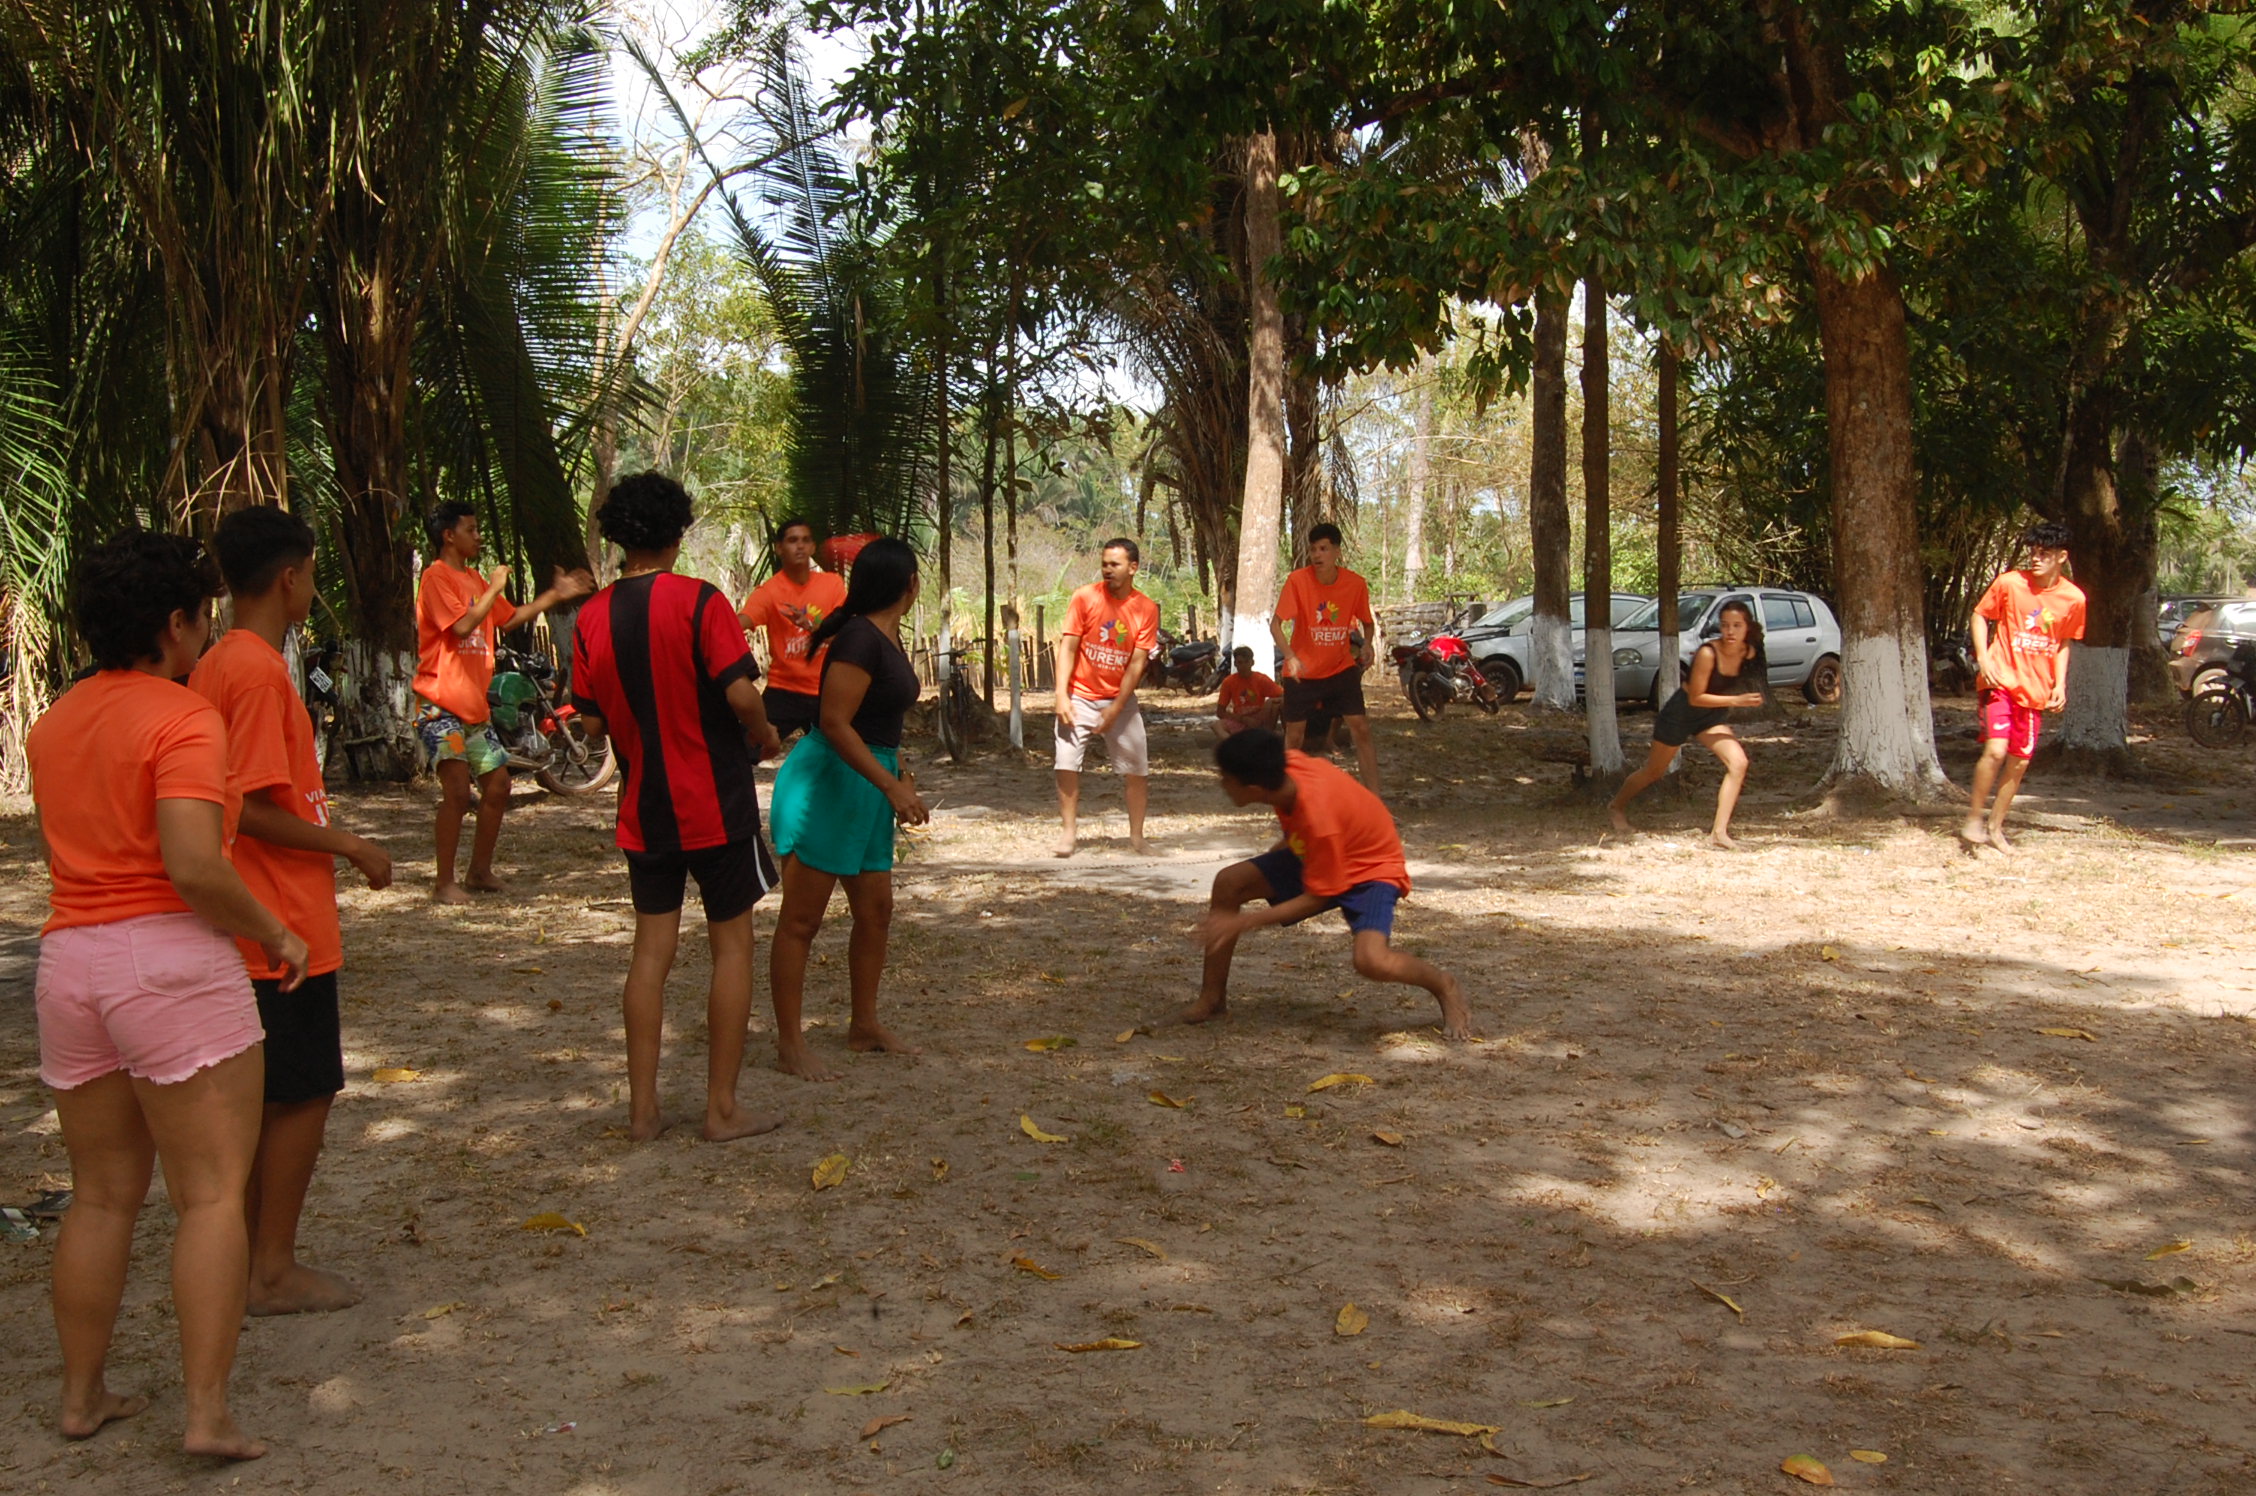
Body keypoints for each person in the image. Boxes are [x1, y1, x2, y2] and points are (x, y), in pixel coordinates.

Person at [28, 531, 312, 1461]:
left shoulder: (55, 721)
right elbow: (193, 864)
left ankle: (82, 1396)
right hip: (168, 963)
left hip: (71, 964)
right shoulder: (183, 718)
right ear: (176, 622)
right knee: (212, 1195)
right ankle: (206, 1414)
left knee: (101, 1197)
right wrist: (273, 931)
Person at [191, 507, 393, 1317]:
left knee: (270, 1094)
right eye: (310, 573)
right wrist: (350, 844)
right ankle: (270, 1268)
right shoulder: (252, 670)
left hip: (260, 918)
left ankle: (251, 1260)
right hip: (277, 919)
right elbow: (245, 807)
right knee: (302, 1093)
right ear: (290, 576)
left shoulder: (221, 663)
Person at [570, 473, 788, 1142]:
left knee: (650, 954)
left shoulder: (592, 616)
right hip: (713, 801)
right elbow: (742, 694)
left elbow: (592, 723)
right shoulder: (700, 601)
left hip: (644, 809)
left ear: (618, 536)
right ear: (676, 532)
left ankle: (643, 1113)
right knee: (732, 947)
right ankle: (721, 1109)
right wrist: (765, 734)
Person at [1182, 728, 1472, 1040]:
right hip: (1325, 852)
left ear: (1253, 788)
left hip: (1371, 869)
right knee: (1230, 883)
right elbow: (1307, 832)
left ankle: (1444, 985)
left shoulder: (1319, 818)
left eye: (1226, 778)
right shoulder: (1286, 766)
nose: (1222, 784)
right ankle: (1212, 999)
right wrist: (1272, 863)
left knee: (1372, 961)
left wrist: (1241, 922)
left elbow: (1317, 897)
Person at [765, 537, 931, 1081]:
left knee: (876, 911)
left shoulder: (885, 634)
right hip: (830, 783)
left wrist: (899, 776)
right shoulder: (860, 638)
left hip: (867, 782)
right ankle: (790, 1044)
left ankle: (865, 1025)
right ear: (909, 585)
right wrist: (890, 787)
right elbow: (835, 724)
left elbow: (880, 720)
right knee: (802, 920)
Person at [413, 500, 593, 903]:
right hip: (439, 706)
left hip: (473, 710)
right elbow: (462, 626)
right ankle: (444, 882)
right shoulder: (436, 577)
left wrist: (555, 594)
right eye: (471, 530)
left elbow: (506, 619)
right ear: (448, 536)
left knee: (498, 786)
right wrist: (494, 587)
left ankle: (479, 872)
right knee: (457, 792)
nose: (478, 537)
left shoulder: (475, 579)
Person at [1962, 522, 2085, 852]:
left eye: (2044, 553)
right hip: (1999, 680)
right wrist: (1983, 659)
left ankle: (1995, 827)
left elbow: (2064, 642)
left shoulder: (2074, 598)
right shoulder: (2010, 583)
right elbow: (1979, 615)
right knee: (1995, 751)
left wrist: (2060, 684)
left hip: (2035, 691)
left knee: (2018, 762)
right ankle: (1973, 818)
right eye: (2033, 552)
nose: (2035, 559)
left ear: (2062, 557)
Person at [1607, 599, 1768, 848]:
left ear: (1747, 627)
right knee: (1654, 771)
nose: (1730, 631)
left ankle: (1719, 833)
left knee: (1738, 763)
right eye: (1725, 625)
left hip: (1711, 716)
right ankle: (1616, 806)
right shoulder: (1708, 653)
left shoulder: (1749, 652)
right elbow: (1696, 697)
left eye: (1737, 625)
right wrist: (1737, 700)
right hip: (1680, 713)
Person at [1053, 538, 1161, 856]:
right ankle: (1068, 834)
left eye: (1115, 564)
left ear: (1133, 568)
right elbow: (1068, 647)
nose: (1107, 570)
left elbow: (1137, 663)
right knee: (1066, 764)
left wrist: (1116, 707)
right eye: (1104, 564)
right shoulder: (1084, 597)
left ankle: (1137, 837)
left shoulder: (1146, 608)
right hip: (1079, 696)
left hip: (1120, 700)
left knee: (1137, 770)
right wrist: (1061, 695)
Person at [1273, 523, 1382, 792]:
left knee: (1361, 729)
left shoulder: (1355, 584)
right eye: (1313, 549)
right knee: (1294, 737)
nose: (1317, 555)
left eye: (1323, 549)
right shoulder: (1297, 581)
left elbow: (1367, 622)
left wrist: (1368, 645)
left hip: (1340, 668)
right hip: (1302, 672)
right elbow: (1276, 625)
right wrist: (1290, 656)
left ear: (1337, 552)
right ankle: (1287, 795)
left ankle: (1374, 798)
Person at [738, 517, 849, 747]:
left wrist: (812, 627)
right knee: (744, 747)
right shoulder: (769, 592)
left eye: (805, 540)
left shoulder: (832, 584)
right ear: (779, 548)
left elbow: (847, 635)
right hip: (783, 690)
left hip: (827, 691)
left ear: (813, 547)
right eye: (793, 540)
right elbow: (741, 622)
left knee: (843, 756)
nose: (800, 546)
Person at [1213, 645, 1283, 739]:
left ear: (1252, 662)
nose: (1243, 666)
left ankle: (1267, 735)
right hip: (1240, 719)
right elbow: (1220, 712)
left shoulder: (1261, 679)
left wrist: (1269, 704)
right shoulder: (1228, 682)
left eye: (1246, 662)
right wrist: (1243, 719)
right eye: (1240, 662)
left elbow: (1283, 695)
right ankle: (1233, 744)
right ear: (1235, 664)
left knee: (1273, 703)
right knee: (1216, 725)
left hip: (1260, 719)